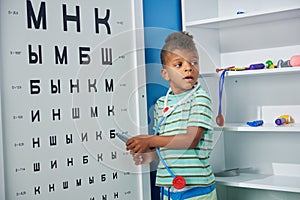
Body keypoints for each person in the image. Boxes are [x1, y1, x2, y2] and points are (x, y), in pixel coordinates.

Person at [126, 31, 217, 200]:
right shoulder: (161, 104)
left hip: (196, 191)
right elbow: (165, 147)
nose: (188, 67)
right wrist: (149, 156)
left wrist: (150, 140)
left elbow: (190, 140)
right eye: (178, 64)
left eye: (194, 62)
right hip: (168, 190)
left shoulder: (200, 98)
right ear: (165, 74)